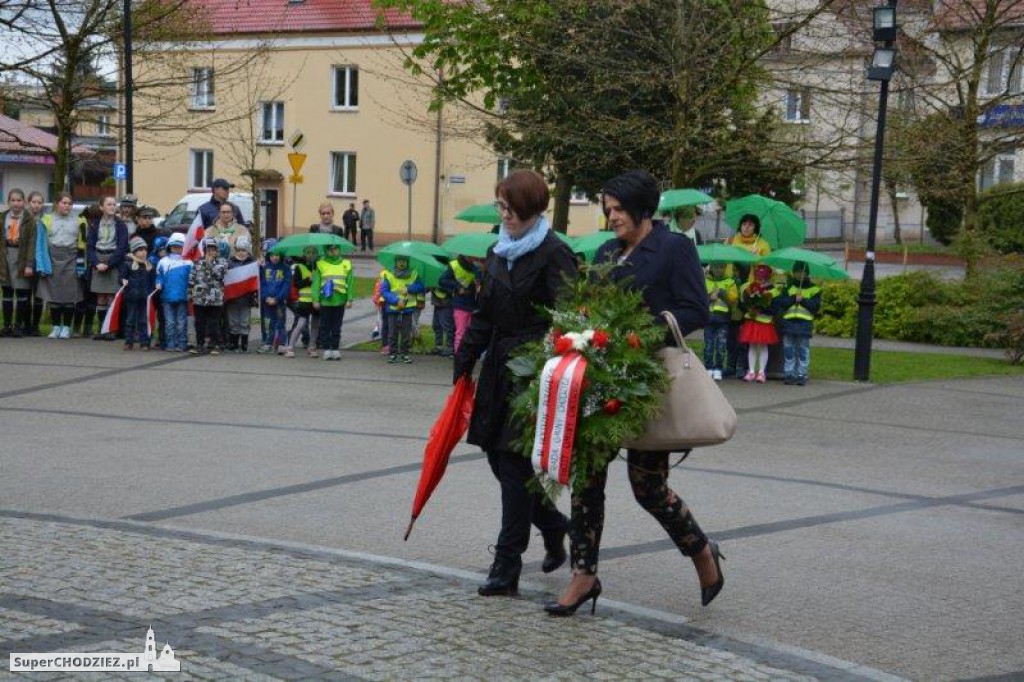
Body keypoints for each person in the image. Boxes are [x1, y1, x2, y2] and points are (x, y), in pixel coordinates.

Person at [548, 170, 719, 617]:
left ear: (642, 209)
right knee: (587, 476)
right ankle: (583, 574)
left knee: (647, 488)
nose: (612, 217)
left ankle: (701, 551)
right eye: (608, 209)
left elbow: (696, 310)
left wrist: (641, 331)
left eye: (619, 209)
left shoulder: (675, 248)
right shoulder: (607, 251)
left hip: (648, 382)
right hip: (603, 380)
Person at [452, 168, 575, 597]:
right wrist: (465, 357)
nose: (501, 214)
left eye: (507, 207)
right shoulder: (497, 250)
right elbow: (484, 313)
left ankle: (507, 564)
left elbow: (568, 316)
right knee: (495, 458)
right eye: (499, 206)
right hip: (499, 370)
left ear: (528, 208)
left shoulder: (555, 253)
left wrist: (549, 358)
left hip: (535, 372)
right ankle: (555, 524)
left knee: (513, 465)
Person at [725, 214, 770, 379]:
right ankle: (729, 364)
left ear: (755, 228)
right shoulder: (731, 241)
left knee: (743, 331)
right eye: (744, 223)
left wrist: (757, 257)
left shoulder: (762, 245)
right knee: (730, 330)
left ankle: (742, 366)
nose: (746, 227)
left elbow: (766, 270)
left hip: (750, 292)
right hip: (730, 288)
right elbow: (722, 262)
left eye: (751, 225)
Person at [37, 192, 86, 339]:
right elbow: (40, 244)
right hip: (52, 259)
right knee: (54, 296)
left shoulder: (79, 221)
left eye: (69, 203)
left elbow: (82, 244)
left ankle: (66, 327)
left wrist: (81, 265)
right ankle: (56, 326)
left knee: (69, 296)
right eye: (64, 203)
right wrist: (42, 265)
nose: (67, 206)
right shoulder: (46, 220)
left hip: (71, 258)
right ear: (56, 203)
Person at [86, 196, 130, 341]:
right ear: (101, 207)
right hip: (98, 259)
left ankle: (111, 329)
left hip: (113, 260)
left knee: (112, 295)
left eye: (113, 204)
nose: (112, 206)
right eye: (108, 204)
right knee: (101, 296)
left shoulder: (120, 224)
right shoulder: (94, 224)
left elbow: (122, 247)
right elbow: (90, 247)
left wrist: (109, 264)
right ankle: (101, 329)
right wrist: (96, 263)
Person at [776, 261, 822, 386]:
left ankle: (802, 373)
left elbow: (815, 307)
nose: (800, 275)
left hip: (804, 323)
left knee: (802, 350)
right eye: (797, 272)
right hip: (789, 323)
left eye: (802, 272)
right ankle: (789, 373)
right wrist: (793, 299)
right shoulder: (789, 288)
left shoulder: (815, 289)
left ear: (806, 274)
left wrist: (803, 301)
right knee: (789, 349)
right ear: (794, 273)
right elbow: (782, 304)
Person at [0, 189, 37, 337]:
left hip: (21, 256)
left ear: (24, 202)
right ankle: (7, 325)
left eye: (19, 200)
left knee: (22, 292)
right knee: (7, 291)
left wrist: (29, 264)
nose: (16, 203)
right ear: (9, 202)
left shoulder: (29, 220)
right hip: (5, 256)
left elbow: (31, 243)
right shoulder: (2, 218)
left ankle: (18, 326)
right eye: (13, 200)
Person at [738, 263, 780, 383]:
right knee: (751, 345)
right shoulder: (749, 287)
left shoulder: (773, 290)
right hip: (752, 321)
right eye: (758, 276)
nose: (760, 279)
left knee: (762, 346)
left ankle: (761, 372)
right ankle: (751, 371)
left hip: (764, 321)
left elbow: (775, 307)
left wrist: (761, 309)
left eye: (763, 276)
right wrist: (749, 309)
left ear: (768, 276)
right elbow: (742, 303)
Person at [312, 242, 354, 360]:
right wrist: (315, 299)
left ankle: (335, 348)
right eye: (330, 249)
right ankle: (326, 349)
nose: (333, 251)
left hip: (340, 301)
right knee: (325, 326)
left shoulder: (346, 264)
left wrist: (349, 299)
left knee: (337, 326)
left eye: (335, 249)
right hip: (325, 301)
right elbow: (316, 283)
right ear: (326, 251)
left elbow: (350, 283)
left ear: (339, 250)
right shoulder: (321, 264)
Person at [379, 255, 425, 364]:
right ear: (395, 262)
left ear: (407, 262)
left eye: (404, 261)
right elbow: (384, 291)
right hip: (393, 307)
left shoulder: (413, 273)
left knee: (406, 332)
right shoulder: (388, 274)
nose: (401, 263)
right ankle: (393, 353)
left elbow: (421, 286)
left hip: (408, 307)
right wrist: (395, 300)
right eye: (399, 260)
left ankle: (405, 353)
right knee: (392, 331)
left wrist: (409, 288)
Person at [188, 237, 228, 354]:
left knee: (214, 323)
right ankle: (199, 344)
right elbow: (192, 279)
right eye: (208, 249)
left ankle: (215, 344)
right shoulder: (197, 262)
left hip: (215, 299)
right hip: (200, 298)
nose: (210, 252)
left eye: (213, 249)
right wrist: (189, 293)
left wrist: (210, 263)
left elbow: (219, 275)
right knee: (199, 322)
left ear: (217, 250)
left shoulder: (222, 262)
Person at [156, 233, 192, 352]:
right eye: (174, 246)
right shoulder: (163, 262)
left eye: (179, 246)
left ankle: (182, 344)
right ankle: (170, 344)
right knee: (170, 323)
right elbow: (159, 276)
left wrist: (191, 291)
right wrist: (158, 283)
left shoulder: (188, 262)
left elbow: (192, 279)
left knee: (182, 323)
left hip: (182, 297)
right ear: (169, 247)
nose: (176, 249)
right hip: (166, 298)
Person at [439, 254, 482, 354]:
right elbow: (442, 281)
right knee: (460, 332)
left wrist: (479, 284)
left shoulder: (477, 268)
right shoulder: (454, 265)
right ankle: (459, 355)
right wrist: (457, 287)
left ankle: (468, 354)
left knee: (470, 332)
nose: (473, 258)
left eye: (474, 256)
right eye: (470, 256)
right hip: (460, 304)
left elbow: (480, 284)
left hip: (474, 304)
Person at [120, 236, 156, 350]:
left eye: (145, 250)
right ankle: (128, 341)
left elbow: (152, 279)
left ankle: (144, 342)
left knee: (143, 320)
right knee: (130, 319)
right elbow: (121, 276)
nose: (143, 252)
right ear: (134, 251)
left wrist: (156, 284)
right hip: (132, 296)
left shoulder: (149, 265)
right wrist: (123, 280)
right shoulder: (128, 264)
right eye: (140, 250)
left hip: (145, 297)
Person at [704, 261, 738, 382]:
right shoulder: (706, 282)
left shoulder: (730, 282)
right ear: (712, 267)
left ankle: (718, 368)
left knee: (721, 346)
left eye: (721, 267)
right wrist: (710, 297)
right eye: (716, 267)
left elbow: (733, 300)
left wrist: (721, 293)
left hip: (723, 320)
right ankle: (708, 367)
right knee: (708, 346)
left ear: (725, 268)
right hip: (708, 319)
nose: (719, 270)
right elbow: (699, 298)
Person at [283, 246, 318, 358]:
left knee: (315, 325)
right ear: (304, 254)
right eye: (308, 253)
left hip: (316, 300)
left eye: (313, 253)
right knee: (301, 324)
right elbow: (297, 284)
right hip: (304, 301)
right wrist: (308, 280)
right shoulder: (300, 267)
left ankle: (312, 347)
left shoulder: (319, 267)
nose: (311, 255)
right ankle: (290, 347)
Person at [224, 235, 256, 352]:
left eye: (244, 250)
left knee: (244, 321)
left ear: (248, 251)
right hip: (233, 298)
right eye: (239, 250)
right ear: (235, 250)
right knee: (233, 322)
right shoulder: (230, 262)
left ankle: (244, 344)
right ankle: (233, 343)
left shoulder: (252, 262)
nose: (241, 253)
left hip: (246, 298)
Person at [258, 238, 290, 354]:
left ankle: (281, 344)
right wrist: (266, 297)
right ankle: (268, 343)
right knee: (269, 323)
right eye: (272, 255)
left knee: (280, 322)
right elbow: (262, 284)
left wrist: (277, 298)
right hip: (267, 301)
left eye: (277, 255)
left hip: (279, 302)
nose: (275, 258)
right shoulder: (264, 268)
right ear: (268, 255)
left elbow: (286, 285)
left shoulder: (285, 268)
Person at [429, 280, 455, 357]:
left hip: (446, 303)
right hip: (437, 303)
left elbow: (451, 289)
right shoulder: (434, 276)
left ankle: (449, 347)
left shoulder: (447, 275)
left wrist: (439, 286)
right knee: (436, 325)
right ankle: (438, 346)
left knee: (447, 326)